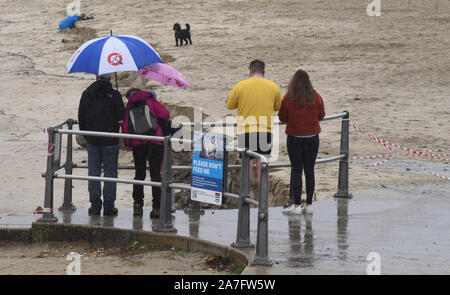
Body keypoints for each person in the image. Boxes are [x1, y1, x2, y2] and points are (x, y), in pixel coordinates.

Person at [122, 88, 179, 218]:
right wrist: (160, 105)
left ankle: (137, 205)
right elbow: (165, 115)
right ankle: (156, 208)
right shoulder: (150, 100)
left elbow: (125, 126)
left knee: (139, 174)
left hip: (138, 143)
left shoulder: (130, 105)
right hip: (155, 141)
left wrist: (128, 143)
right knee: (155, 175)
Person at [226, 59, 281, 184]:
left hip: (245, 130)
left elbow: (229, 105)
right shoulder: (273, 87)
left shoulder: (240, 85)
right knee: (262, 164)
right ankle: (263, 200)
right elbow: (278, 107)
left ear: (250, 71)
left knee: (248, 164)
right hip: (265, 130)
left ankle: (246, 198)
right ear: (264, 71)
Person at [279, 69, 325, 215]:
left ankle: (297, 204)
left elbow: (282, 117)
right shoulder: (315, 97)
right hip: (312, 138)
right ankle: (309, 204)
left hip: (295, 138)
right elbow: (322, 115)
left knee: (297, 170)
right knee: (310, 170)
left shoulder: (288, 98)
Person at [78, 73, 125, 216]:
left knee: (93, 172)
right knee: (110, 173)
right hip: (110, 139)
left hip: (92, 140)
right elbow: (121, 117)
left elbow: (81, 118)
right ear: (110, 79)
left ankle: (95, 206)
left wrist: (88, 137)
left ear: (96, 77)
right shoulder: (115, 95)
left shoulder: (86, 94)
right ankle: (109, 207)